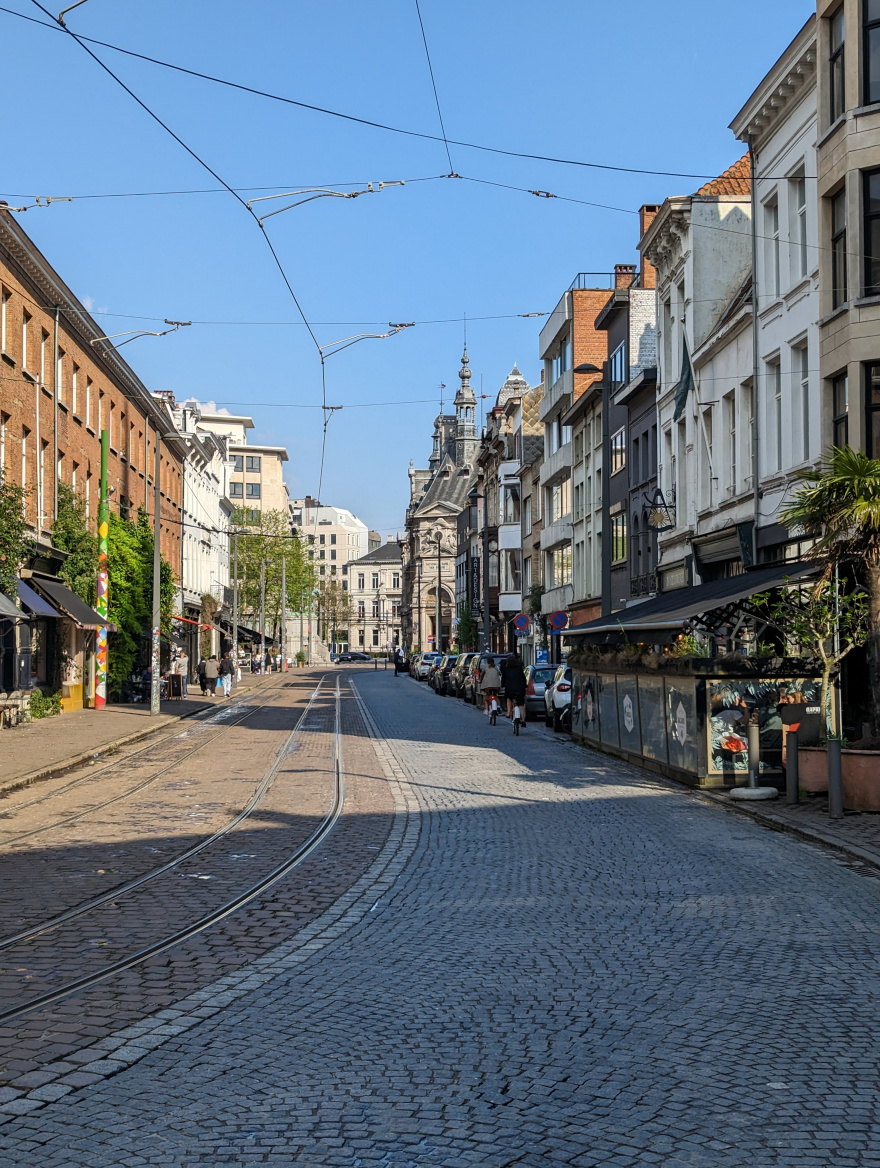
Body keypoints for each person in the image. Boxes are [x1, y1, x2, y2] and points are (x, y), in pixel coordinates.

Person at [501, 650, 527, 722]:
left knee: (509, 698)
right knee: (520, 703)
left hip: (510, 689)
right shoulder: (519, 668)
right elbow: (523, 678)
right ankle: (523, 719)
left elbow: (503, 679)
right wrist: (525, 685)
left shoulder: (506, 669)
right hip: (520, 689)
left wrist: (502, 685)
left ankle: (508, 712)